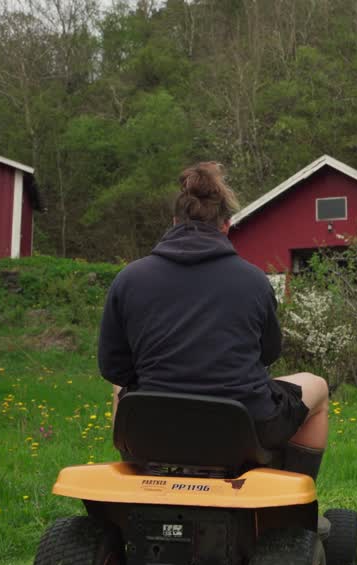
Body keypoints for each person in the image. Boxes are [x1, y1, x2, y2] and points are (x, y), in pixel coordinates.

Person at [97, 162, 329, 479]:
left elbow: (114, 368)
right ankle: (296, 501)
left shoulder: (129, 278)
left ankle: (138, 468)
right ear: (226, 225)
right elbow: (269, 354)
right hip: (243, 425)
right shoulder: (254, 281)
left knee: (119, 385)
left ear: (174, 221)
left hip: (153, 426)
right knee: (318, 386)